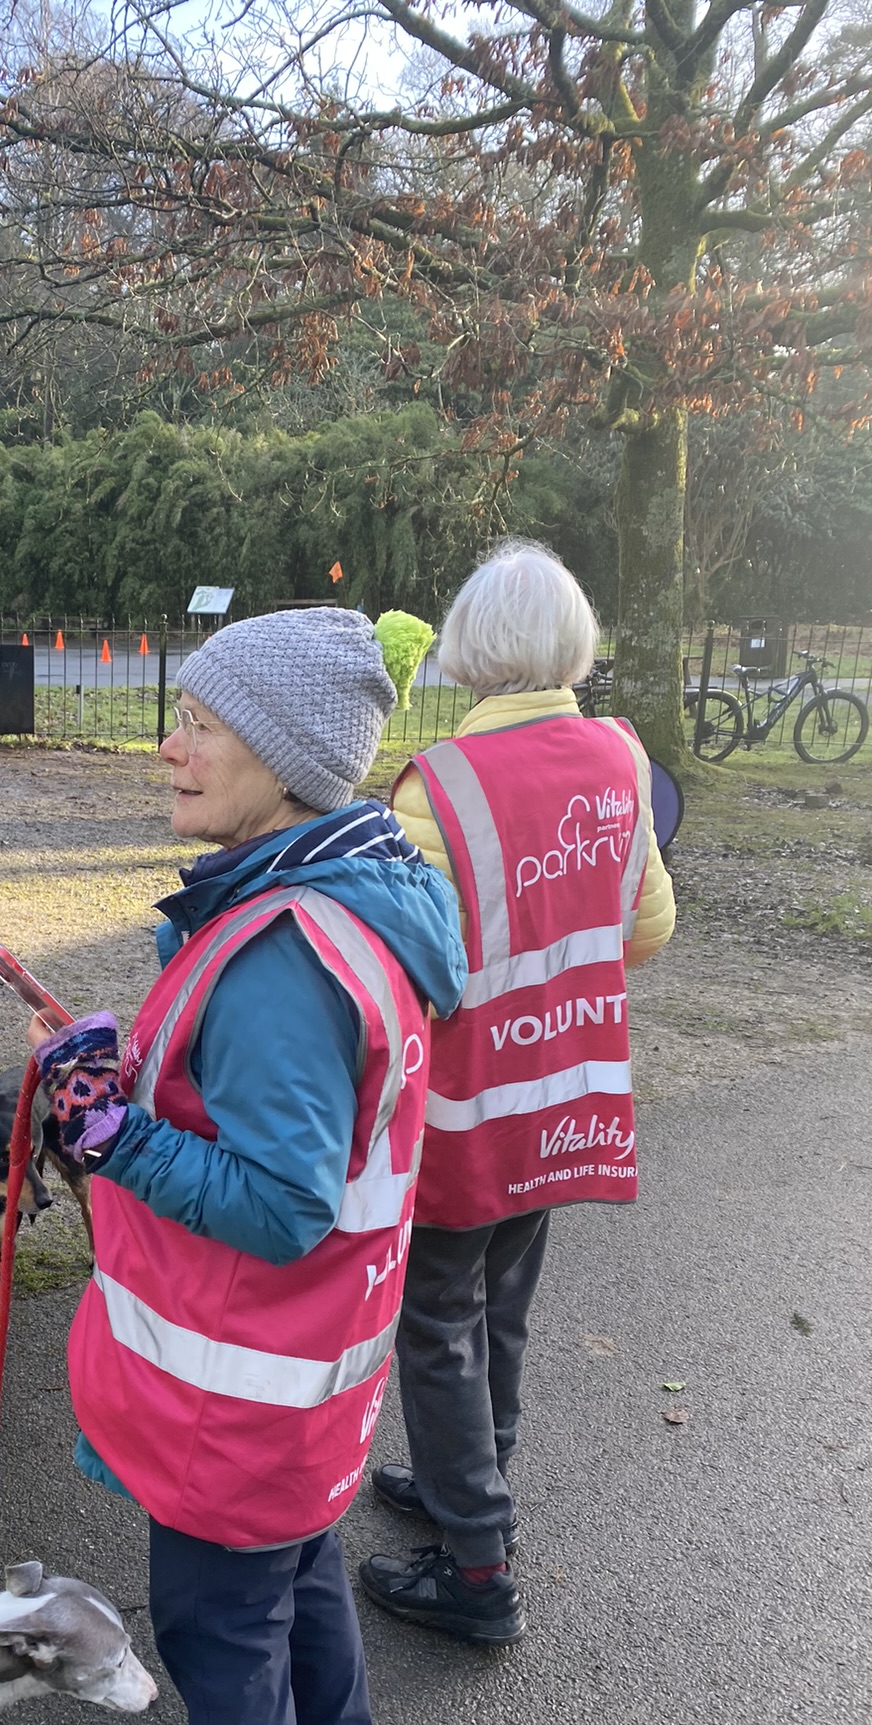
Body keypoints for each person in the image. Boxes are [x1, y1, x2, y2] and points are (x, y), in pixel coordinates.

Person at [24, 608, 467, 1725]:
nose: (173, 742)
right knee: (296, 1585)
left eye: (205, 723)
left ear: (284, 758)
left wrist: (108, 1139)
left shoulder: (285, 946)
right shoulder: (342, 898)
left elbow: (277, 1203)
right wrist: (122, 1069)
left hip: (239, 1392)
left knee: (221, 1634)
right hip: (307, 1386)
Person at [359, 541, 675, 1645]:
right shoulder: (622, 759)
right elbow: (650, 923)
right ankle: (472, 1474)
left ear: (470, 644)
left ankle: (478, 1561)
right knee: (504, 1301)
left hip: (465, 1104)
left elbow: (401, 959)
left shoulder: (439, 783)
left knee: (436, 1315)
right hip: (569, 1086)